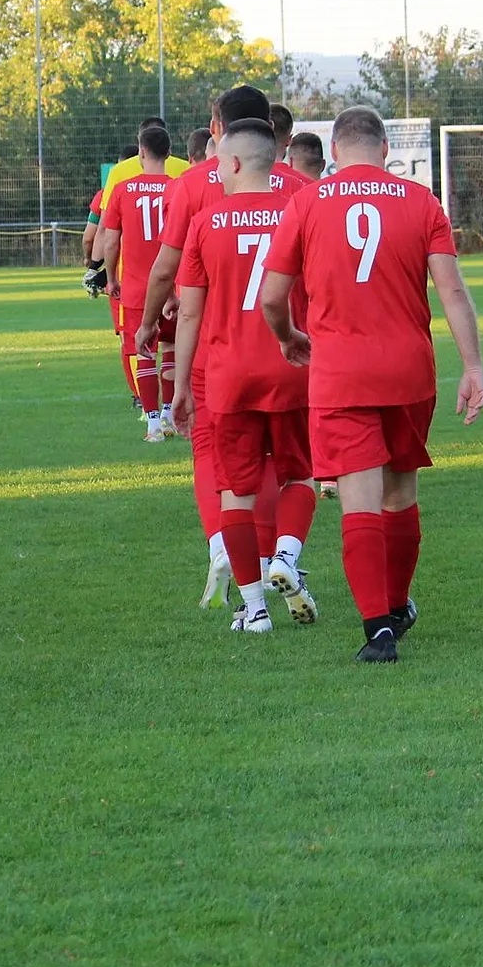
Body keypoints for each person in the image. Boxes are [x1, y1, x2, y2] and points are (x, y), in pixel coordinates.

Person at [260, 105, 483, 663]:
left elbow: (271, 297)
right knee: (400, 494)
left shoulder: (306, 202)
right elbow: (452, 292)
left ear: (335, 152)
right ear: (385, 150)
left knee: (358, 503)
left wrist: (288, 336)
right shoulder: (422, 202)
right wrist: (473, 367)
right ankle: (397, 603)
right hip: (408, 371)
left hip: (340, 373)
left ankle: (378, 631)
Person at [170, 118, 319, 633]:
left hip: (228, 375)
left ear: (232, 163)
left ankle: (254, 609)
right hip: (292, 367)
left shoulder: (205, 222)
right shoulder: (299, 212)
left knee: (237, 490)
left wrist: (181, 386)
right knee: (298, 475)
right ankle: (286, 555)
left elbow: (189, 313)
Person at [133, 86, 275, 605]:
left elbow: (166, 267)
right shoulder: (297, 188)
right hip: (281, 349)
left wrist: (148, 321)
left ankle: (222, 545)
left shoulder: (192, 185)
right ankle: (274, 558)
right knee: (275, 458)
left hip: (215, 347)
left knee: (211, 452)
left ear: (217, 127)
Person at [98, 124, 176, 441]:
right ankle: (170, 415)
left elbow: (110, 241)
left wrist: (111, 279)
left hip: (136, 288)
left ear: (141, 152)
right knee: (170, 348)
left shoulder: (122, 189)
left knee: (143, 351)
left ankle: (153, 424)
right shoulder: (178, 188)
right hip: (172, 287)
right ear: (169, 153)